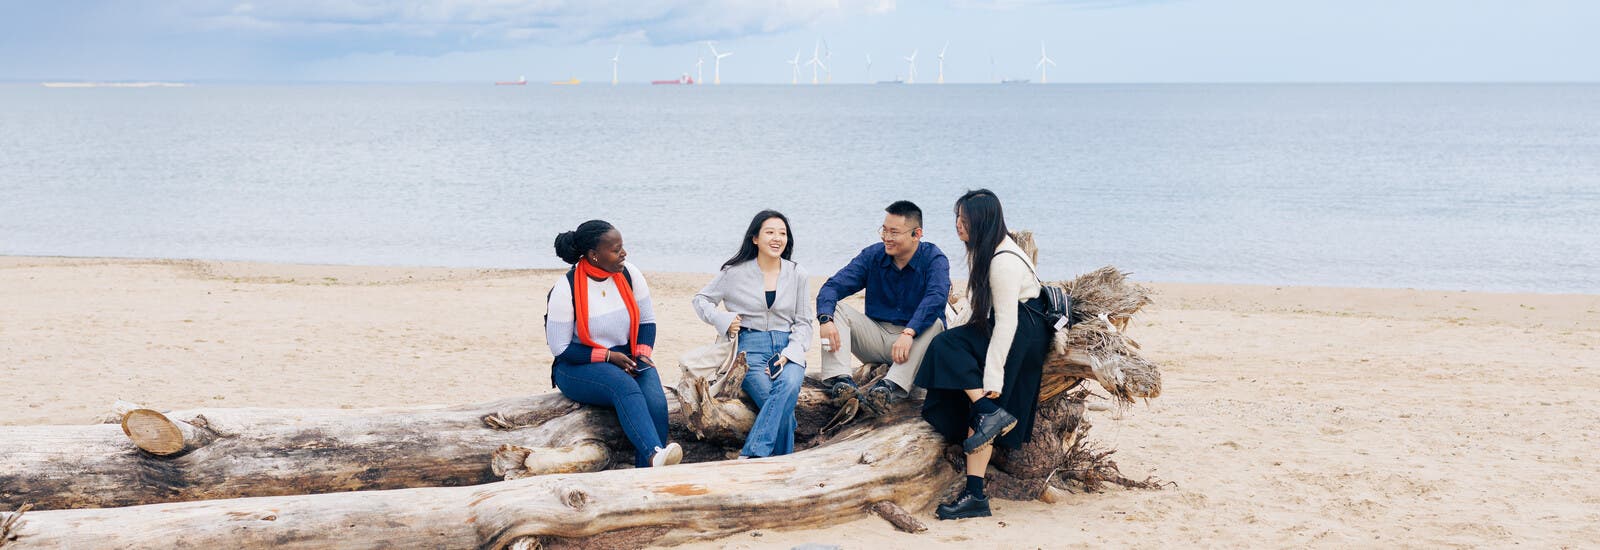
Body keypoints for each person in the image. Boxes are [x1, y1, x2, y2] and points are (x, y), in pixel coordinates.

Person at [915, 189, 1052, 520]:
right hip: (1013, 327)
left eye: (964, 219)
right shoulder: (985, 251)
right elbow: (976, 311)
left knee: (948, 350)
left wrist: (993, 374)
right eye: (957, 218)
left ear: (982, 221)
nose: (958, 225)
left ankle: (987, 409)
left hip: (1024, 332)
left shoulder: (1003, 260)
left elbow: (1006, 321)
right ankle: (975, 495)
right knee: (980, 407)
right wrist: (955, 316)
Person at [545, 220, 681, 468]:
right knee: (624, 386)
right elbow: (560, 348)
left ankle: (649, 473)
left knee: (656, 402)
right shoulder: (566, 289)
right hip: (576, 365)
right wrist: (608, 357)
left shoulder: (629, 274)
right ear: (594, 255)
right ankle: (653, 454)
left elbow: (647, 321)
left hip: (628, 357)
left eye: (623, 247)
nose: (624, 253)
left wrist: (641, 354)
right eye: (616, 249)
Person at [692, 210, 815, 459]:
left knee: (788, 384)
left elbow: (804, 322)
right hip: (749, 349)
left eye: (782, 233)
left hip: (787, 346)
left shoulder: (797, 273)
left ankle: (753, 455)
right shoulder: (734, 272)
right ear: (755, 238)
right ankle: (782, 465)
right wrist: (723, 320)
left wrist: (791, 353)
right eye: (770, 232)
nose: (777, 238)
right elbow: (701, 300)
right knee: (783, 414)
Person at [815, 200, 951, 414]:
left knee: (935, 323)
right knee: (835, 309)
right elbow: (832, 286)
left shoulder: (934, 259)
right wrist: (825, 319)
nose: (886, 237)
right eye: (884, 230)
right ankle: (840, 382)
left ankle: (890, 388)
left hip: (915, 343)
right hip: (876, 337)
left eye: (894, 232)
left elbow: (936, 298)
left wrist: (909, 332)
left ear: (917, 234)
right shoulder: (873, 256)